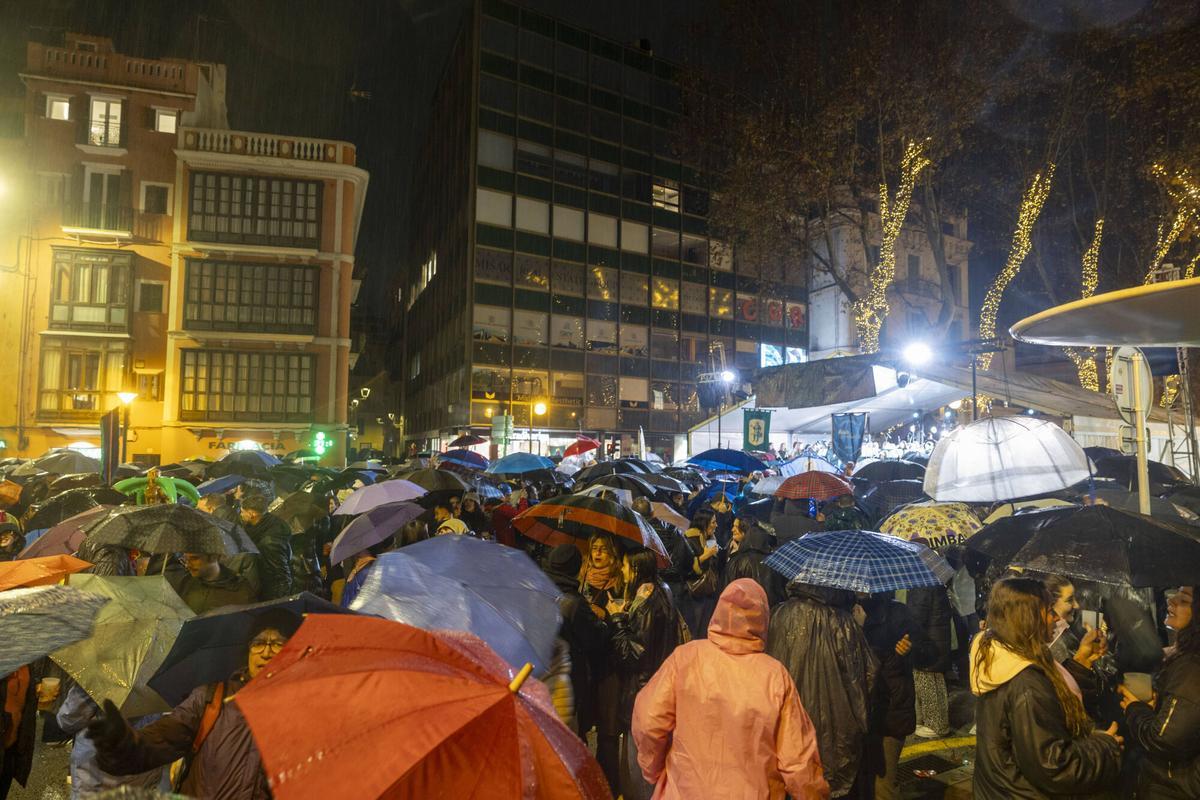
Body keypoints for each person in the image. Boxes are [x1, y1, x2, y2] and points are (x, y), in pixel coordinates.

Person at [632, 579, 829, 799]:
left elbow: (649, 720)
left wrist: (653, 769)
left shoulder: (686, 658)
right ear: (763, 619)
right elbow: (798, 760)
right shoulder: (775, 676)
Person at [88, 611, 300, 799]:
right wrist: (121, 743)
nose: (266, 652)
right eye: (258, 643)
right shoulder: (212, 698)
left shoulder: (308, 711)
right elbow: (161, 738)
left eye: (278, 643)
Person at [970, 577, 1122, 799]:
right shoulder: (1026, 683)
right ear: (1028, 618)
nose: (1055, 617)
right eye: (1049, 611)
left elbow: (1048, 708)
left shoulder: (1004, 654)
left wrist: (1081, 662)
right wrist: (1104, 747)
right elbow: (1054, 767)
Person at [767, 582, 878, 798]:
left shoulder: (777, 615)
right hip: (834, 734)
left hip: (787, 728)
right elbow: (866, 678)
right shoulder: (844, 623)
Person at [603, 548, 679, 797]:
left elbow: (633, 654)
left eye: (625, 566)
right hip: (656, 686)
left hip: (641, 690)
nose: (622, 571)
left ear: (635, 569)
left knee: (638, 768)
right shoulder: (661, 591)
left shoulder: (646, 603)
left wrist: (616, 619)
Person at [1119, 585, 1199, 799]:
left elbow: (1163, 739)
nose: (1171, 602)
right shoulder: (1185, 657)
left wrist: (1135, 709)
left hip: (1174, 788)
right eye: (1174, 597)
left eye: (1184, 601)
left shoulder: (1193, 667)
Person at [858, 592, 932, 800]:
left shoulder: (898, 613)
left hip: (889, 712)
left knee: (883, 786)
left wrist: (910, 650)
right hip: (857, 714)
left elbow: (930, 652)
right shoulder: (845, 612)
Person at [542, 544, 607, 740]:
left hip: (540, 677)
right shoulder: (573, 603)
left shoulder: (538, 591)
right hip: (567, 681)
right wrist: (610, 618)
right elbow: (596, 638)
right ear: (577, 568)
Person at [57, 685, 167, 798]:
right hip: (144, 763)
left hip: (96, 771)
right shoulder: (161, 672)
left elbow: (68, 720)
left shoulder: (103, 673)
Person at [906, 581, 953, 738]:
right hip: (936, 639)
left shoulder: (921, 585)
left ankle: (935, 725)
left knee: (927, 682)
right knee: (930, 681)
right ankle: (931, 722)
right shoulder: (933, 582)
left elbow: (916, 616)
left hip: (927, 643)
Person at [239, 495, 294, 600]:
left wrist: (277, 602)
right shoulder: (259, 525)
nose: (240, 514)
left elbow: (282, 576)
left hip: (270, 591)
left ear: (252, 514)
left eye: (242, 511)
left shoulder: (270, 543)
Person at [722, 513, 784, 606]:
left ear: (745, 530)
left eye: (736, 527)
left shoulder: (738, 560)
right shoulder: (773, 560)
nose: (732, 530)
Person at [679, 508, 722, 637]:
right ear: (704, 522)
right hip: (694, 594)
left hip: (708, 593)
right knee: (694, 630)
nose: (716, 525)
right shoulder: (688, 539)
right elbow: (685, 567)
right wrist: (705, 556)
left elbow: (715, 565)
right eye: (713, 522)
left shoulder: (711, 539)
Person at [168, 553, 256, 614]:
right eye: (185, 559)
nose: (187, 565)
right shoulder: (185, 583)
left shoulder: (239, 588)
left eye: (194, 558)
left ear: (214, 557)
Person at [579, 533, 622, 617]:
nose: (598, 552)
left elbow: (621, 616)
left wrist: (604, 614)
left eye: (604, 549)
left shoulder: (619, 582)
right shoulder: (581, 574)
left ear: (612, 553)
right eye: (594, 548)